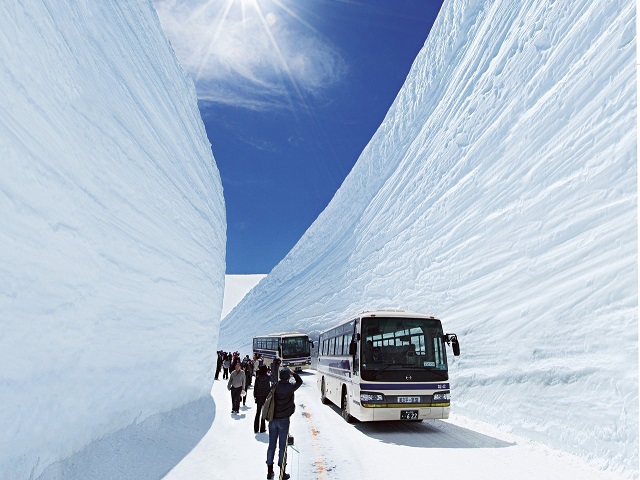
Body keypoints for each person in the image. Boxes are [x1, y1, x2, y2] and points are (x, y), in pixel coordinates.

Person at [266, 368, 302, 480]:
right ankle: (282, 472)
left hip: (273, 419)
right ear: (288, 377)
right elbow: (300, 381)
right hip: (284, 420)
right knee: (282, 447)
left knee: (271, 445)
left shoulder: (275, 386)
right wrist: (294, 373)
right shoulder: (290, 388)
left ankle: (269, 471)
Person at [253, 365, 271, 433]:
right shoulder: (267, 377)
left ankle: (256, 428)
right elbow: (272, 381)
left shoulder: (257, 378)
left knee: (258, 412)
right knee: (264, 412)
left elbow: (255, 387)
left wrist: (255, 396)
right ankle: (262, 428)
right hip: (265, 396)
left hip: (258, 396)